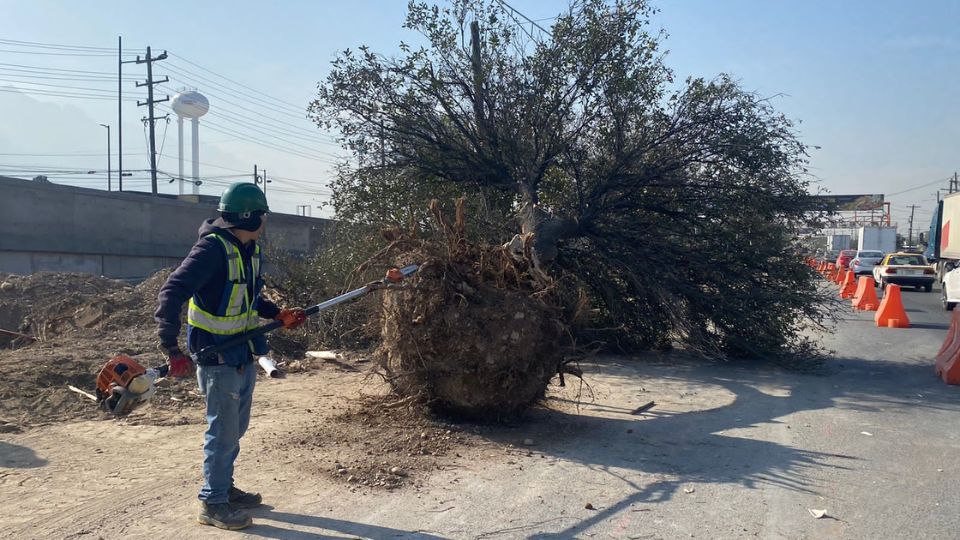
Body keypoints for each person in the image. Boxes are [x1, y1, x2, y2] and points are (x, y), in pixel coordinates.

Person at [154, 182, 306, 530]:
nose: (265, 222)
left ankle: (224, 488)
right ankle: (213, 502)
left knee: (235, 429)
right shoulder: (211, 250)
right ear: (250, 216)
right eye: (263, 215)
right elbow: (172, 291)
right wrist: (171, 346)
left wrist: (277, 313)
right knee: (222, 432)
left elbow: (249, 296)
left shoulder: (248, 249)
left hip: (241, 351)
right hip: (214, 355)